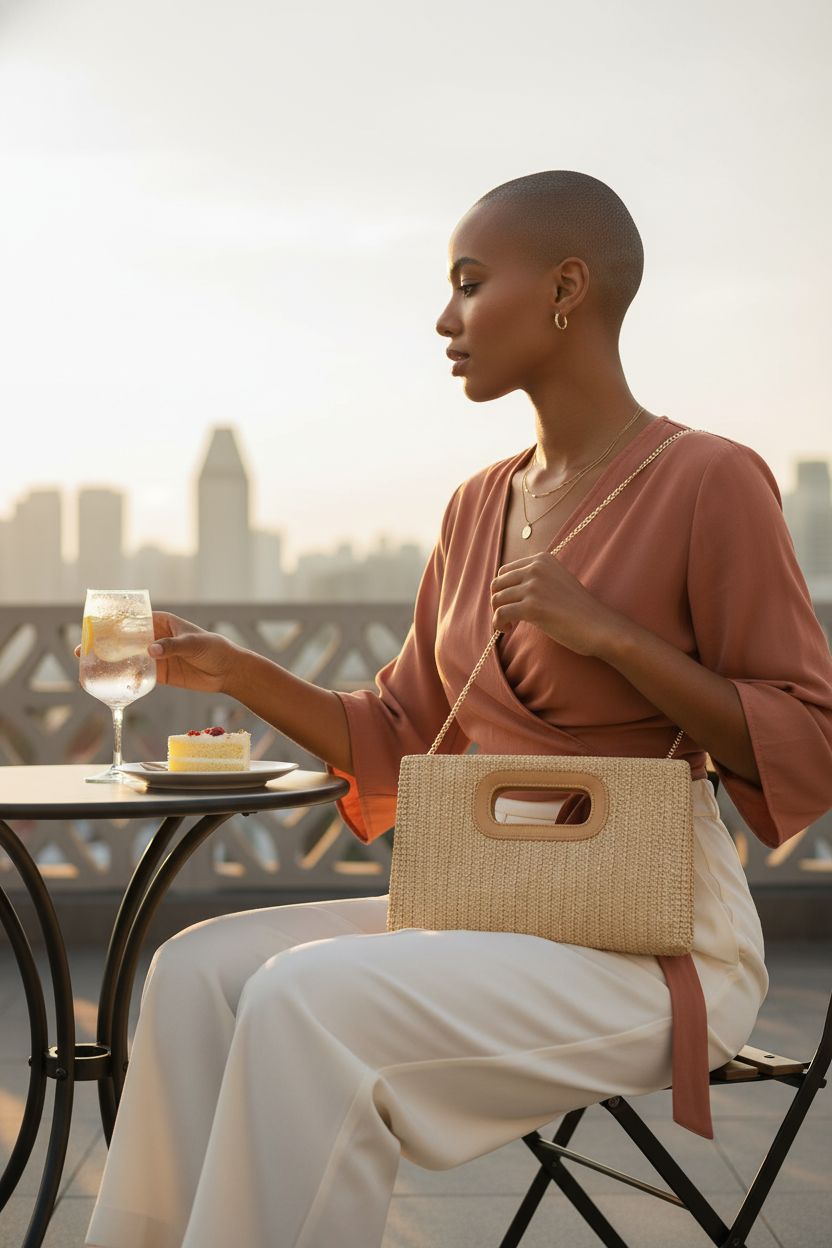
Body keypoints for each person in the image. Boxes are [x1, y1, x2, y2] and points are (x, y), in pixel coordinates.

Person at [85, 170, 832, 1248]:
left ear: (567, 288)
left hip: (656, 944)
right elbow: (397, 733)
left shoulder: (709, 480)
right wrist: (241, 672)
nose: (445, 319)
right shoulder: (478, 503)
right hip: (490, 909)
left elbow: (807, 739)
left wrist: (613, 637)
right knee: (195, 970)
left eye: (470, 284)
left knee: (305, 1003)